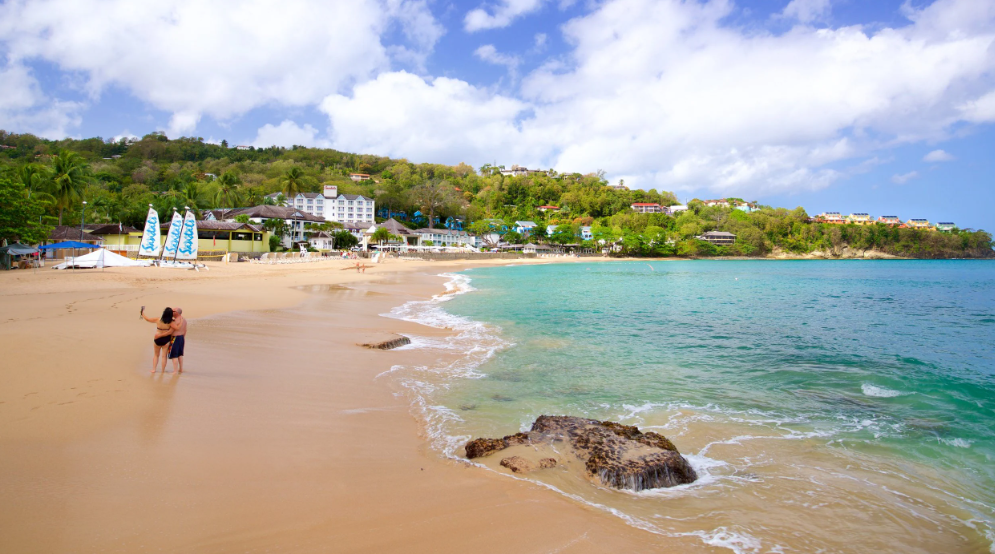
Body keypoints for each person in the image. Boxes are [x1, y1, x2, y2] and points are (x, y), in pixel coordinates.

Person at [142, 307, 174, 373]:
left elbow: (148, 319)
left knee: (156, 355)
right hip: (166, 339)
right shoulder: (171, 322)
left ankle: (154, 369)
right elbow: (170, 332)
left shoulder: (158, 319)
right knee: (164, 356)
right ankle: (162, 370)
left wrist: (142, 313)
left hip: (157, 338)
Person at [168, 307, 187, 373]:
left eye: (173, 311)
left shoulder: (176, 321)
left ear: (177, 313)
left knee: (174, 355)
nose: (171, 312)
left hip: (175, 338)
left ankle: (175, 371)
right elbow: (185, 330)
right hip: (181, 337)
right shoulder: (184, 320)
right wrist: (183, 337)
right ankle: (180, 369)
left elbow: (171, 331)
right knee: (179, 354)